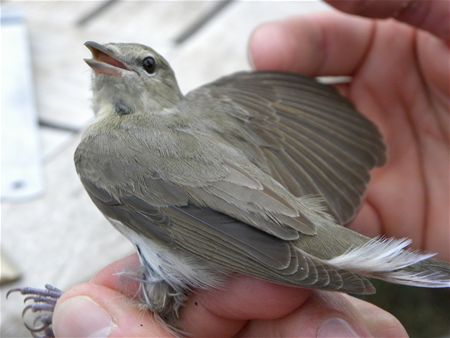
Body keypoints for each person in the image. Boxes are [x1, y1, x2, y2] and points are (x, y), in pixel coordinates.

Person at [52, 1, 449, 336]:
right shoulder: (213, 109)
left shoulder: (100, 153)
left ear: (168, 83)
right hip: (278, 229)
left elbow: (188, 245)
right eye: (111, 61)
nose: (121, 65)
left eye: (148, 65)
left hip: (262, 241)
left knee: (140, 307)